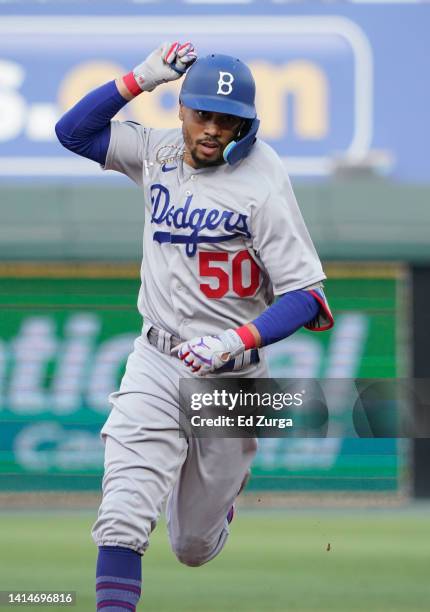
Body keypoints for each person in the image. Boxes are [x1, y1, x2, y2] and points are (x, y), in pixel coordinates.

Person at [55, 41, 333, 612]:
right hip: (157, 358)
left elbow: (307, 295)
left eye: (226, 120)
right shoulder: (157, 150)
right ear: (181, 108)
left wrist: (235, 340)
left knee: (192, 545)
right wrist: (141, 78)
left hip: (234, 377)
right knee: (122, 516)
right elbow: (73, 133)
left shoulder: (263, 180)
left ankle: (221, 504)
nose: (211, 128)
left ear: (245, 124)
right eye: (201, 113)